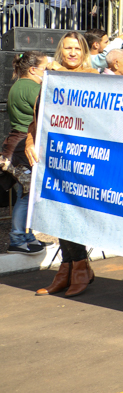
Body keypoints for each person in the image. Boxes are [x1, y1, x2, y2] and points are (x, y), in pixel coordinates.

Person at [29, 32, 100, 297]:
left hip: (84, 156)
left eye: (77, 48)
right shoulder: (51, 79)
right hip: (56, 156)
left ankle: (78, 268)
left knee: (74, 211)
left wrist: (55, 72)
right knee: (60, 211)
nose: (72, 53)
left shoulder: (92, 77)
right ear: (61, 51)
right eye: (67, 48)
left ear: (84, 51)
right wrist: (28, 142)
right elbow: (37, 117)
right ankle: (70, 269)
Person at [4, 51, 47, 254]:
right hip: (23, 145)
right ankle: (17, 239)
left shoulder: (17, 86)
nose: (47, 72)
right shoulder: (33, 88)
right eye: (45, 68)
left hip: (15, 144)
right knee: (26, 195)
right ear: (33, 70)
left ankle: (27, 236)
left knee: (26, 194)